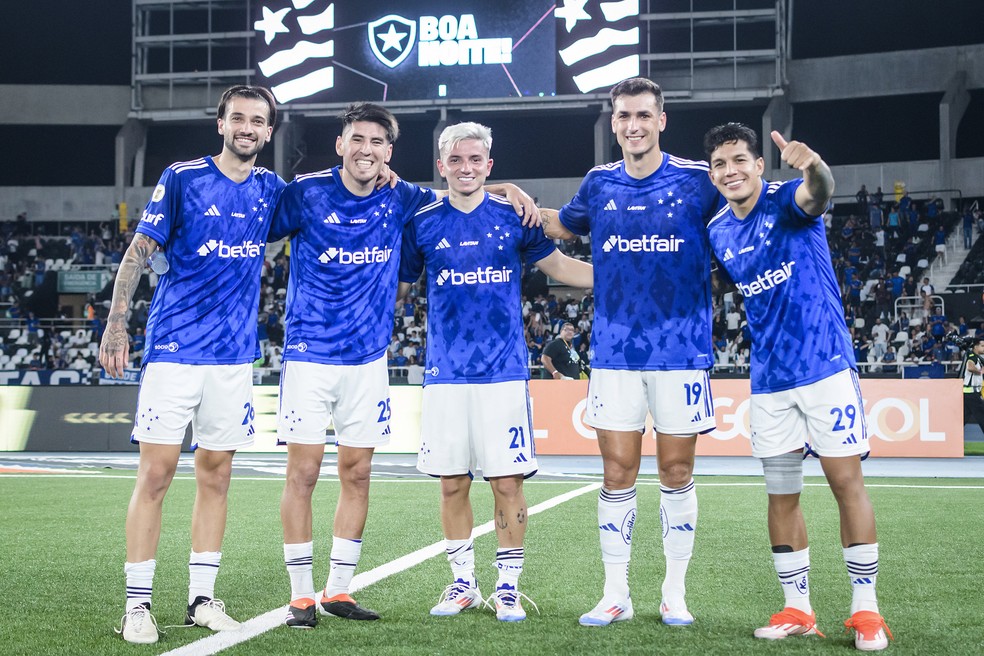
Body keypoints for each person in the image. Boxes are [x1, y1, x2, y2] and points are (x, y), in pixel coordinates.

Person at [268, 104, 537, 629]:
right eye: (357, 139)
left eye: (377, 142)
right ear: (341, 142)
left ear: (389, 152)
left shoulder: (403, 196)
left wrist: (508, 189)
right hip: (308, 355)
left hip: (370, 358)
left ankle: (339, 590)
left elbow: (462, 194)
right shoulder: (304, 192)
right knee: (302, 474)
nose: (366, 149)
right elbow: (258, 234)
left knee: (358, 473)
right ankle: (302, 595)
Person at [99, 85, 285, 644]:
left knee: (217, 477)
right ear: (221, 125)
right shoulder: (182, 177)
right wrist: (115, 321)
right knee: (155, 476)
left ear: (269, 132)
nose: (247, 128)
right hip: (175, 352)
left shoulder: (272, 190)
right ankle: (136, 605)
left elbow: (336, 200)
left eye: (257, 121)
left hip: (232, 359)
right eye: (238, 118)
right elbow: (139, 252)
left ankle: (201, 599)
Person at [703, 122, 892, 650]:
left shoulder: (788, 199)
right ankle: (798, 608)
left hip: (826, 367)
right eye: (720, 164)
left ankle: (866, 611)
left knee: (844, 483)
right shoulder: (718, 229)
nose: (731, 171)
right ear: (713, 174)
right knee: (781, 494)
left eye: (740, 159)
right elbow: (718, 282)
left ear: (759, 164)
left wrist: (814, 165)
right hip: (768, 382)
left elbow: (821, 192)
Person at [542, 77, 720, 628]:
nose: (633, 125)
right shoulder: (598, 183)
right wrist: (513, 202)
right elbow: (559, 228)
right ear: (613, 122)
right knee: (616, 472)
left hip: (682, 351)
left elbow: (747, 209)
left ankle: (673, 593)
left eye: (643, 115)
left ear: (661, 120)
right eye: (623, 116)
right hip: (615, 352)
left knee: (676, 469)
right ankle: (615, 593)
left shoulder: (699, 182)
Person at [398, 121, 593, 622]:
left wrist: (625, 276)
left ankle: (507, 587)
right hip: (444, 376)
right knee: (451, 485)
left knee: (507, 484)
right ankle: (463, 582)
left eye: (475, 160)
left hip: (503, 374)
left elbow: (564, 269)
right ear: (441, 166)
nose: (466, 168)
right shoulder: (421, 220)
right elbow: (394, 285)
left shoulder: (515, 217)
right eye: (455, 160)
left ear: (489, 164)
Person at [961, 337, 984, 433]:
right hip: (971, 394)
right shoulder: (972, 357)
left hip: (969, 394)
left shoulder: (978, 358)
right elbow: (970, 367)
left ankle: (949, 438)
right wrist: (980, 372)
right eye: (982, 346)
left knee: (962, 420)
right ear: (975, 346)